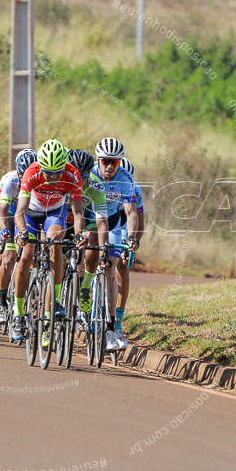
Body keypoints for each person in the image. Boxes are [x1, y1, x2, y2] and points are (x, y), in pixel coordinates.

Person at [11, 139, 86, 342]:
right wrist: (21, 232)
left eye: (57, 172)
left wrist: (79, 235)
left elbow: (78, 213)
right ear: (41, 167)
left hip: (54, 212)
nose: (53, 177)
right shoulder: (32, 172)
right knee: (26, 255)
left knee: (56, 243)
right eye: (49, 173)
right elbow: (19, 212)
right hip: (31, 214)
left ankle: (55, 302)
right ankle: (18, 314)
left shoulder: (71, 174)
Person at [92, 137, 140, 351]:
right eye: (105, 161)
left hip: (111, 222)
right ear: (97, 160)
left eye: (115, 162)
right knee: (86, 259)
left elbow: (131, 212)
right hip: (88, 220)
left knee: (111, 267)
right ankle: (81, 291)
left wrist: (131, 238)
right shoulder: (89, 175)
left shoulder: (126, 179)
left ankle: (111, 326)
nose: (110, 166)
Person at [0, 148, 36, 324]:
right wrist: (1, 230)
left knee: (29, 254)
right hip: (8, 213)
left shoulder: (37, 178)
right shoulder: (10, 179)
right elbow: (0, 210)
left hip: (26, 215)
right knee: (6, 256)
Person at [67, 149, 109, 319]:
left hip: (87, 217)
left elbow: (102, 221)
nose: (80, 179)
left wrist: (103, 247)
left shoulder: (96, 185)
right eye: (76, 174)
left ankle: (85, 286)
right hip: (65, 219)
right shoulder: (61, 181)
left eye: (84, 175)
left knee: (93, 240)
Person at [111, 157, 145, 347]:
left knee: (122, 265)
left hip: (124, 224)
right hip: (106, 221)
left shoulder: (134, 189)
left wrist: (134, 244)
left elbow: (139, 222)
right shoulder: (101, 185)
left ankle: (118, 321)